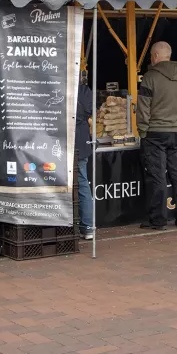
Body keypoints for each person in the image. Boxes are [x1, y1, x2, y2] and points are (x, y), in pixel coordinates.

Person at [136, 41, 177, 230]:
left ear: (154, 56)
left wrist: (143, 131)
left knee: (157, 176)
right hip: (176, 133)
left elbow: (143, 109)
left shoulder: (149, 77)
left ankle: (158, 220)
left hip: (154, 133)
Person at [75, 74, 94, 240]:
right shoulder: (85, 91)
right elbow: (87, 112)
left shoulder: (57, 87)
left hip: (62, 142)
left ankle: (83, 225)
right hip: (81, 141)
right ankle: (87, 226)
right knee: (82, 183)